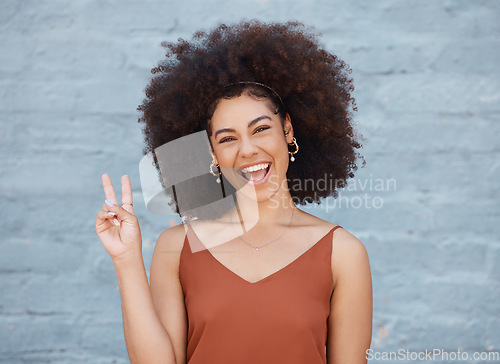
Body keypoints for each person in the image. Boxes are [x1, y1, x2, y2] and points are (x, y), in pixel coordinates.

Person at [95, 20, 372, 364]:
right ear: (211, 153)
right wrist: (126, 260)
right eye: (227, 138)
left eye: (261, 129)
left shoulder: (342, 253)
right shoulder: (178, 247)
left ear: (287, 130)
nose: (248, 150)